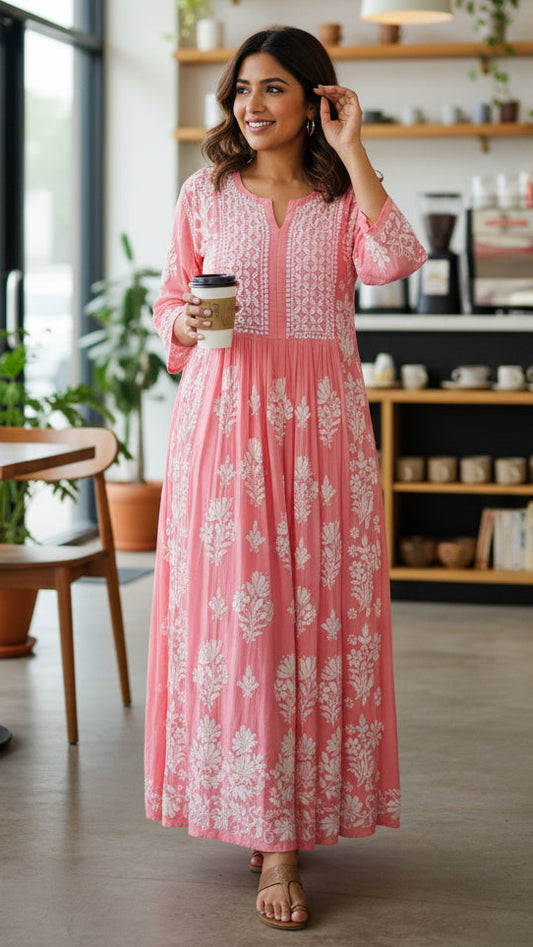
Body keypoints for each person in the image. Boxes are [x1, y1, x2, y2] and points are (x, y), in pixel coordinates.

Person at [144, 25, 426, 932]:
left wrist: (356, 149)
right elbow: (166, 303)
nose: (250, 106)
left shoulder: (342, 193)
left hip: (322, 436)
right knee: (241, 622)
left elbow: (396, 260)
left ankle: (286, 826)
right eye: (239, 92)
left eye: (271, 89)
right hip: (224, 426)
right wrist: (185, 322)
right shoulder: (206, 190)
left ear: (314, 98)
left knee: (312, 623)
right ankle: (268, 835)